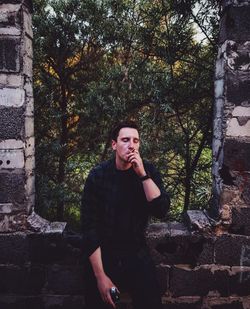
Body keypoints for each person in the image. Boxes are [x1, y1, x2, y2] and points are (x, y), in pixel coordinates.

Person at [81, 121, 170, 309]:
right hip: (104, 255)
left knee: (152, 302)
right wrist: (100, 277)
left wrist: (143, 175)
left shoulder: (148, 171)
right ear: (114, 144)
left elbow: (161, 210)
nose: (131, 145)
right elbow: (89, 228)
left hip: (136, 253)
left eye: (136, 141)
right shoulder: (98, 176)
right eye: (125, 140)